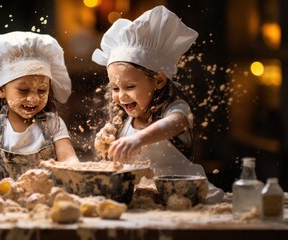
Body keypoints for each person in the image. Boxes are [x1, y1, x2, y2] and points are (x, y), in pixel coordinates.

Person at [92, 5, 223, 203]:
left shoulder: (175, 109)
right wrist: (106, 145)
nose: (121, 96)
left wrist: (139, 139)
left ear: (159, 80)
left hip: (182, 194)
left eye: (129, 86)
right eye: (115, 88)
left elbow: (175, 122)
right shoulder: (124, 122)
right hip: (144, 197)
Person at [0, 31, 79, 183]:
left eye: (42, 90)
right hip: (0, 203)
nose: (34, 98)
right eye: (23, 90)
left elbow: (69, 159)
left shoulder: (53, 124)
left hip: (44, 203)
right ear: (1, 90)